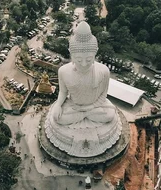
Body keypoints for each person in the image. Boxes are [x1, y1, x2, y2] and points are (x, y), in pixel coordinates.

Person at [44, 21, 121, 158]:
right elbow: (63, 92)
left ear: (95, 53)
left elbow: (103, 95)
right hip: (74, 106)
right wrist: (58, 105)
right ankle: (83, 114)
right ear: (71, 54)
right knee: (57, 117)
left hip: (94, 107)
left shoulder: (103, 71)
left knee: (110, 115)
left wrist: (89, 107)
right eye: (79, 60)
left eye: (89, 59)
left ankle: (84, 114)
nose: (84, 64)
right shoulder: (63, 71)